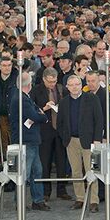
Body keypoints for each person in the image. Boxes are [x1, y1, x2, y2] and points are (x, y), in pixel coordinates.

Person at [57, 75, 104, 213]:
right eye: (71, 85)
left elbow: (99, 119)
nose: (74, 87)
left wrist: (97, 139)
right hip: (71, 141)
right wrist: (65, 138)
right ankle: (80, 198)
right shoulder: (63, 102)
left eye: (77, 84)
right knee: (76, 171)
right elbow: (60, 123)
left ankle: (94, 201)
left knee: (92, 171)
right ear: (67, 87)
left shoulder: (92, 98)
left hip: (90, 141)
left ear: (82, 85)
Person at [9, 71, 51, 211]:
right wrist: (43, 117)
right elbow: (36, 115)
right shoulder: (22, 99)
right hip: (26, 140)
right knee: (24, 173)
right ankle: (20, 202)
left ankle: (37, 200)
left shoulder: (23, 97)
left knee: (36, 171)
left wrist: (39, 114)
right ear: (29, 85)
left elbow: (35, 112)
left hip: (30, 140)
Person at [30, 67, 70, 200]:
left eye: (54, 81)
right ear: (43, 79)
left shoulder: (62, 89)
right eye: (49, 82)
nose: (52, 84)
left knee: (61, 162)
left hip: (60, 131)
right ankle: (46, 191)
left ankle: (61, 190)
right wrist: (44, 108)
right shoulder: (36, 91)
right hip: (44, 131)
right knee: (45, 162)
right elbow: (31, 110)